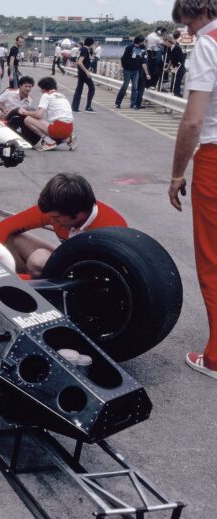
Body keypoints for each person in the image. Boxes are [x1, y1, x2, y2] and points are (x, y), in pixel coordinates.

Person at [168, 0, 217, 380]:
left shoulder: (207, 43)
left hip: (215, 158)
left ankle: (216, 358)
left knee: (212, 258)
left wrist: (176, 174)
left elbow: (193, 122)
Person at [0, 173, 127, 278]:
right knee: (13, 238)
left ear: (78, 214)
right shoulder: (59, 207)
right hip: (66, 258)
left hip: (91, 273)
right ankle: (23, 283)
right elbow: (4, 227)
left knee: (38, 260)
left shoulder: (112, 229)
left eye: (56, 218)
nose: (51, 220)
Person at [19, 76, 76, 151]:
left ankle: (49, 141)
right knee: (47, 122)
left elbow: (39, 115)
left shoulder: (46, 95)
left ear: (44, 88)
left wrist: (25, 112)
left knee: (28, 119)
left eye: (41, 89)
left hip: (59, 129)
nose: (41, 91)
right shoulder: (62, 96)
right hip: (69, 129)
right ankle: (67, 139)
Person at [0, 76, 39, 144]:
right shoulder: (9, 92)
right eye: (26, 86)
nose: (28, 89)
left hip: (18, 119)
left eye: (30, 87)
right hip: (7, 116)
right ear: (20, 86)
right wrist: (3, 109)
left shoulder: (29, 99)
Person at [115, 36, 151, 109]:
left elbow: (143, 62)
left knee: (135, 87)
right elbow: (123, 58)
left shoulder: (143, 48)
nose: (143, 43)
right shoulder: (129, 48)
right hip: (127, 69)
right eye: (143, 41)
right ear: (139, 42)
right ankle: (118, 102)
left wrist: (146, 73)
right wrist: (122, 67)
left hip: (136, 70)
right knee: (125, 85)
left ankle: (133, 104)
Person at [71, 37, 96, 113]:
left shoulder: (82, 49)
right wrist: (87, 71)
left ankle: (75, 107)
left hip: (80, 71)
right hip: (83, 72)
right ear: (91, 44)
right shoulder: (85, 50)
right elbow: (80, 62)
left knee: (79, 89)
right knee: (92, 87)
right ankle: (88, 107)